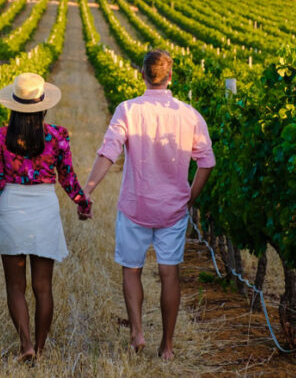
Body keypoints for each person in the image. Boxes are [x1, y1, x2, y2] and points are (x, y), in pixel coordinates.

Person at [83, 49, 215, 360]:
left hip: (135, 206)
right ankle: (167, 347)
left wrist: (88, 188)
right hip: (172, 210)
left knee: (132, 270)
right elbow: (207, 162)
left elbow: (108, 152)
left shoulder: (127, 110)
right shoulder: (189, 114)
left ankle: (137, 332)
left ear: (141, 75)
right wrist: (190, 196)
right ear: (171, 77)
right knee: (170, 274)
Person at [0, 72, 93, 361]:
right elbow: (67, 178)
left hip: (11, 207)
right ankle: (40, 349)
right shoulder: (58, 136)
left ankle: (26, 344)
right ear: (43, 106)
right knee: (44, 287)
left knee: (15, 286)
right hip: (44, 208)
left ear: (12, 106)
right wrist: (82, 202)